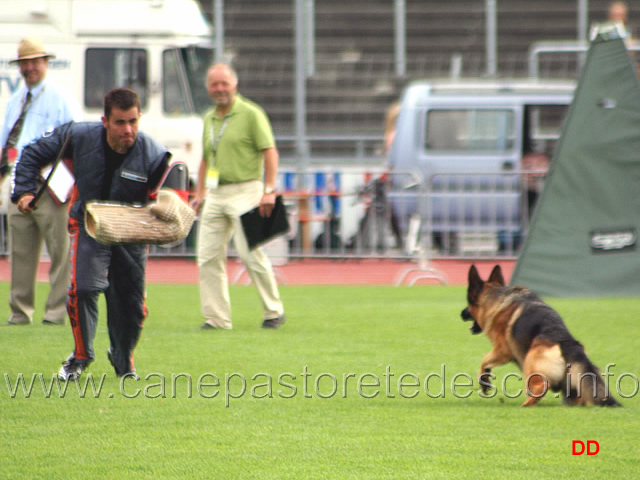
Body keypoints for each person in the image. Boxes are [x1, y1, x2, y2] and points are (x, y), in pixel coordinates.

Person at [12, 88, 171, 380]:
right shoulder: (79, 136)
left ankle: (123, 358)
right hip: (90, 225)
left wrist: (172, 209)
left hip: (131, 233)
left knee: (132, 306)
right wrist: (23, 191)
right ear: (105, 121)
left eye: (133, 121)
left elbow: (173, 190)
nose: (128, 129)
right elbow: (32, 153)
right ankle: (81, 357)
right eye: (120, 122)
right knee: (83, 289)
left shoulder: (153, 153)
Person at [191, 63, 285, 330]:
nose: (219, 89)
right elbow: (207, 158)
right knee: (207, 256)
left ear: (235, 84)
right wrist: (200, 194)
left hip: (248, 190)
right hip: (217, 193)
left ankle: (273, 311)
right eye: (214, 84)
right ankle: (217, 318)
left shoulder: (251, 113)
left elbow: (270, 151)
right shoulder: (209, 117)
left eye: (224, 83)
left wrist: (268, 190)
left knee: (250, 253)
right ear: (208, 88)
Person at [0, 37, 80, 326]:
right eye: (25, 63)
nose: (30, 67)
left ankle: (56, 312)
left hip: (50, 180)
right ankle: (20, 312)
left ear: (46, 63)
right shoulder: (15, 98)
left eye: (35, 61)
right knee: (19, 251)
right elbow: (6, 141)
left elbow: (74, 138)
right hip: (17, 178)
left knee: (60, 249)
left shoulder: (60, 97)